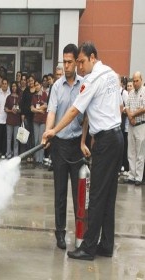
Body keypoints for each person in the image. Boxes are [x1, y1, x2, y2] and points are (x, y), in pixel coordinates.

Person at [43, 41, 124, 260]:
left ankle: (88, 247)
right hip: (116, 138)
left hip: (106, 142)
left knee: (96, 195)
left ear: (93, 57)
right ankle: (106, 245)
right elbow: (110, 108)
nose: (79, 66)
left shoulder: (92, 79)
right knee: (108, 196)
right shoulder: (112, 74)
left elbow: (74, 112)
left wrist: (52, 131)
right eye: (75, 62)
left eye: (81, 61)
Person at [45, 43, 84, 250]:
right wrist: (48, 131)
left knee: (78, 193)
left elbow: (85, 116)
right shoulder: (57, 86)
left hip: (77, 146)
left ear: (77, 62)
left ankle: (80, 233)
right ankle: (60, 233)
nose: (66, 66)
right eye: (64, 62)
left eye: (70, 62)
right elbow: (51, 112)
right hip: (59, 145)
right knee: (59, 192)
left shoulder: (84, 85)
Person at [125, 72, 145, 186]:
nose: (135, 83)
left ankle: (138, 177)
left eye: (137, 81)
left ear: (141, 80)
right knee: (131, 152)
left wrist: (133, 115)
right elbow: (127, 106)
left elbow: (144, 108)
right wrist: (130, 116)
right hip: (131, 125)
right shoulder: (131, 93)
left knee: (140, 153)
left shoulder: (144, 91)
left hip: (141, 125)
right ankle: (131, 175)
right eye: (134, 81)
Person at [31, 80, 48, 165]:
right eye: (35, 85)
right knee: (36, 139)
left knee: (42, 139)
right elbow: (31, 109)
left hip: (43, 120)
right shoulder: (34, 96)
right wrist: (39, 110)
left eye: (37, 85)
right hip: (36, 120)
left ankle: (41, 159)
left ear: (40, 85)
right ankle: (36, 158)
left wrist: (37, 109)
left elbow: (45, 105)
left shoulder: (44, 94)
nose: (36, 86)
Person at [4, 81, 22, 159]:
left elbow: (21, 110)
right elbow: (5, 108)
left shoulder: (19, 97)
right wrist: (11, 111)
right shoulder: (8, 97)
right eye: (13, 86)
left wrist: (18, 111)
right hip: (10, 120)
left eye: (15, 86)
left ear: (17, 87)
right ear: (11, 88)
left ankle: (15, 154)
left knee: (16, 139)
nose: (14, 87)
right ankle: (8, 153)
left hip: (17, 120)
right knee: (9, 138)